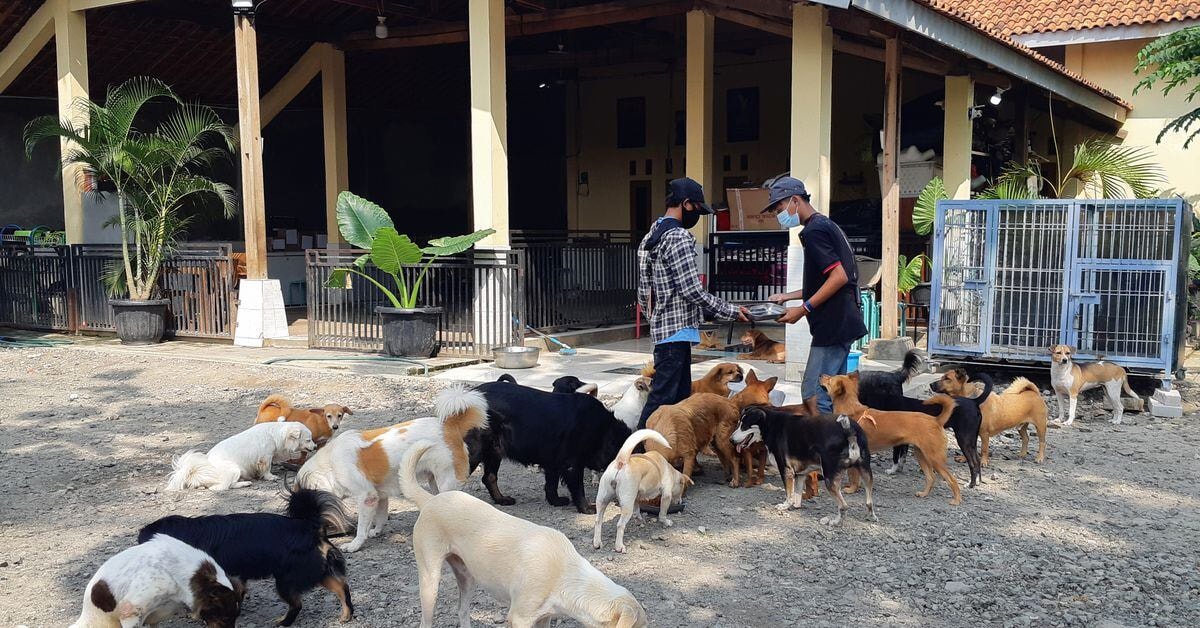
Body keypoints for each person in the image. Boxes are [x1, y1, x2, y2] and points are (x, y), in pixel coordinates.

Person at [636, 177, 749, 429]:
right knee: (664, 400)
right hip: (676, 333)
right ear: (686, 204)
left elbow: (643, 292)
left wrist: (653, 319)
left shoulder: (651, 235)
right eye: (697, 208)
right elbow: (692, 290)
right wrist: (731, 310)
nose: (698, 214)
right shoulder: (678, 237)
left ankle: (670, 453)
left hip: (665, 332)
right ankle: (635, 453)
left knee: (677, 401)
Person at [763, 176, 868, 413]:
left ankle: (823, 448)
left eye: (779, 208)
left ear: (795, 201)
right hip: (841, 322)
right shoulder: (826, 224)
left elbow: (839, 277)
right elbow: (828, 279)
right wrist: (788, 297)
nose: (778, 215)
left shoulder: (815, 231)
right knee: (838, 392)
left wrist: (802, 309)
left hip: (833, 324)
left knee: (815, 392)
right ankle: (841, 443)